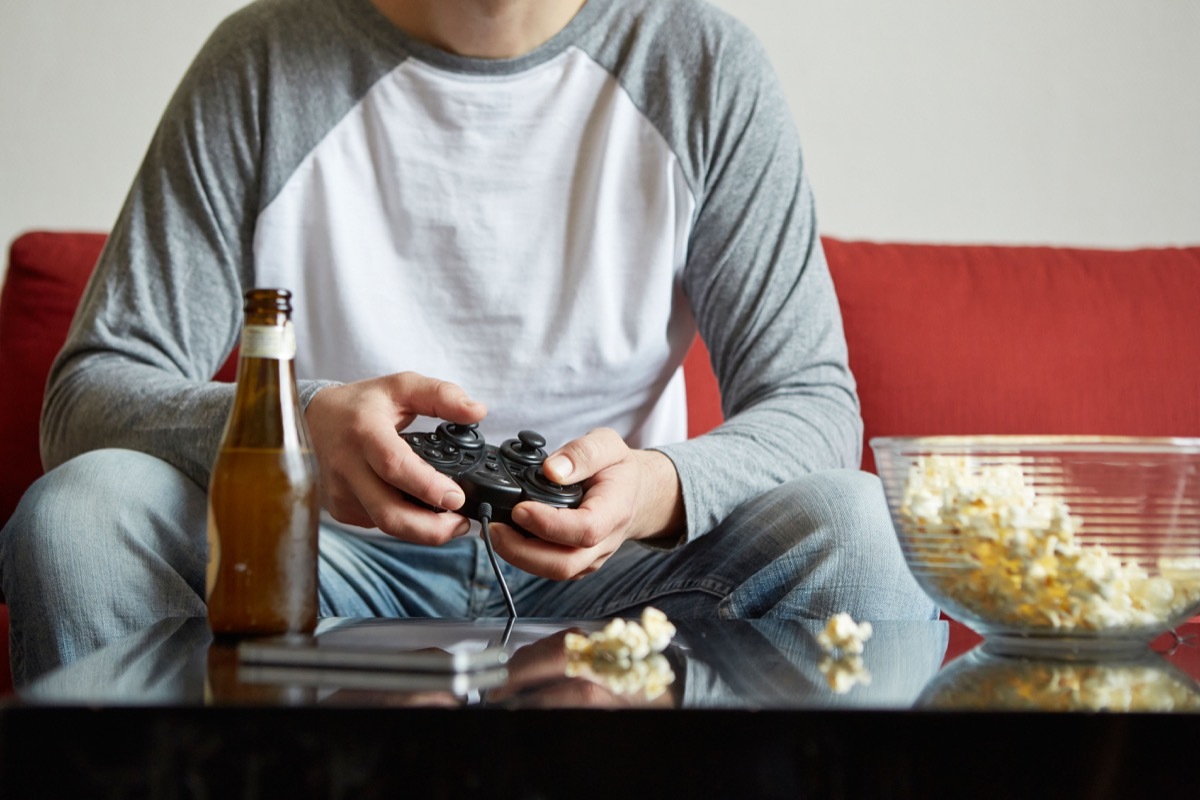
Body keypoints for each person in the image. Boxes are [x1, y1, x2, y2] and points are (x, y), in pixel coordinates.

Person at [0, 0, 935, 687]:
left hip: (627, 576)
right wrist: (303, 428)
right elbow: (91, 393)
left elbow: (813, 404)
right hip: (321, 562)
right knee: (82, 514)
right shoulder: (264, 61)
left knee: (860, 529)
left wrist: (655, 488)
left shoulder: (700, 63)